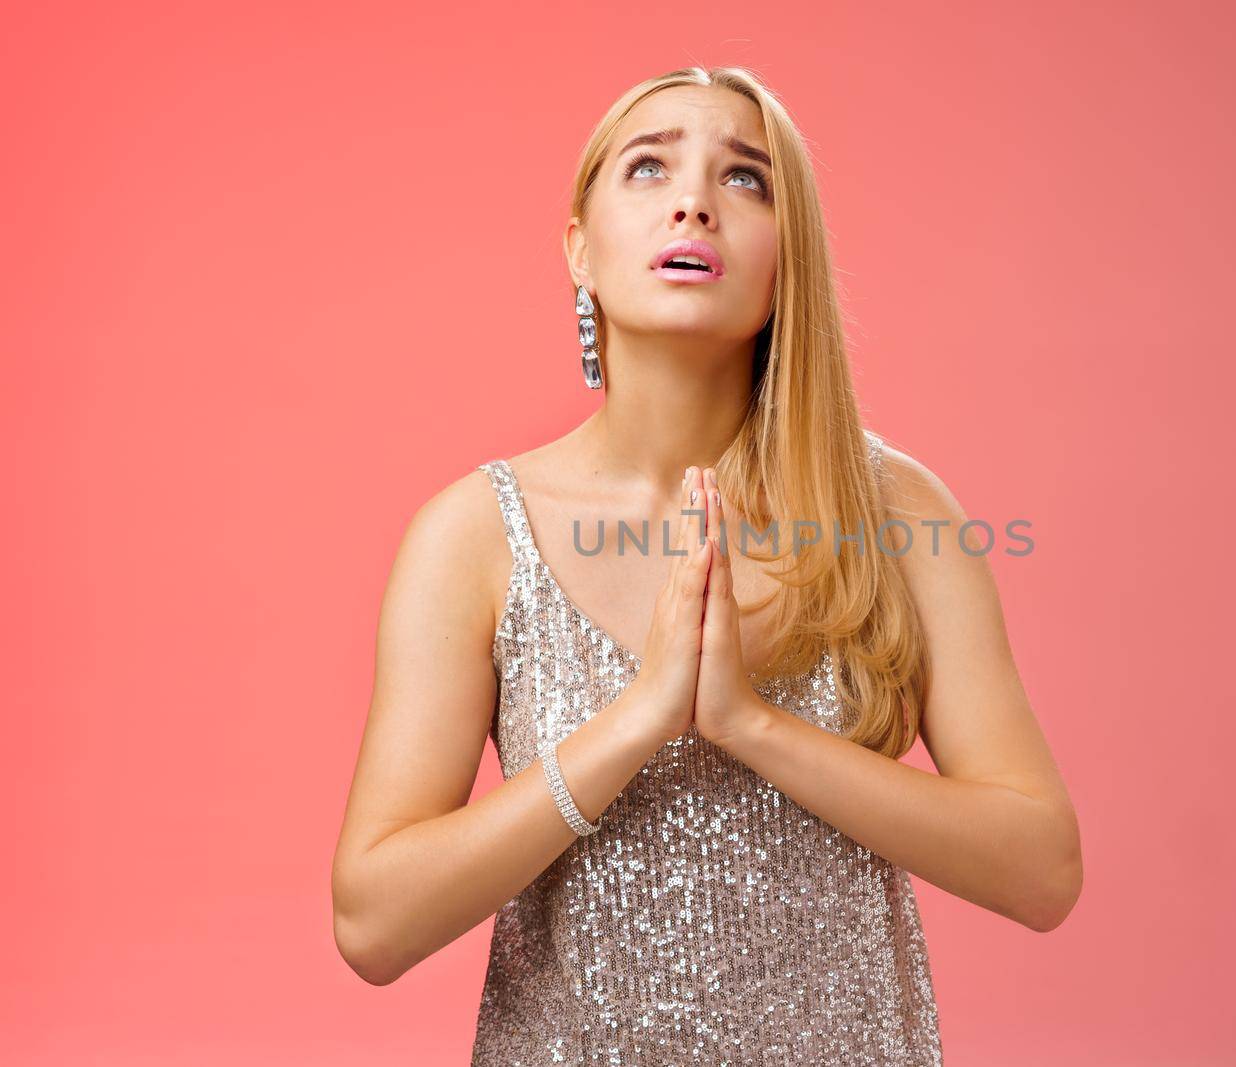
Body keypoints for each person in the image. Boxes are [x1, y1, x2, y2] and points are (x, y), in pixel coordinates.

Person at [331, 65, 1083, 1066]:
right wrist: (638, 719)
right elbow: (374, 923)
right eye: (648, 167)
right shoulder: (474, 535)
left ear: (790, 257)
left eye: (744, 179)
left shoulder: (896, 515)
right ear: (578, 249)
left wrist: (748, 724)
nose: (691, 198)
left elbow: (1041, 868)